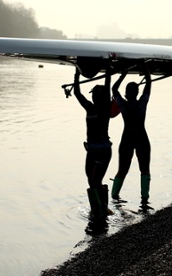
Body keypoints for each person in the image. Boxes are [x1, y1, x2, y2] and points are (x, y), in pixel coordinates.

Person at [73, 67, 113, 225]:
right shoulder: (89, 107)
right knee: (91, 180)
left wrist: (109, 69)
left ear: (103, 96)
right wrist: (77, 73)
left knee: (94, 181)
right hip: (91, 150)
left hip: (103, 150)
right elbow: (77, 94)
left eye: (98, 94)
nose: (96, 96)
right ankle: (101, 208)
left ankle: (100, 211)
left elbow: (108, 85)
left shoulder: (105, 108)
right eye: (94, 94)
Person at [111, 64, 152, 205]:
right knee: (145, 170)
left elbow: (114, 89)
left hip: (127, 139)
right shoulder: (142, 103)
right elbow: (148, 85)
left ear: (126, 93)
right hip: (141, 138)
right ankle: (145, 199)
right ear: (137, 92)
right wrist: (146, 71)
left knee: (122, 170)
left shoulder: (123, 104)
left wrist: (123, 74)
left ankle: (114, 197)